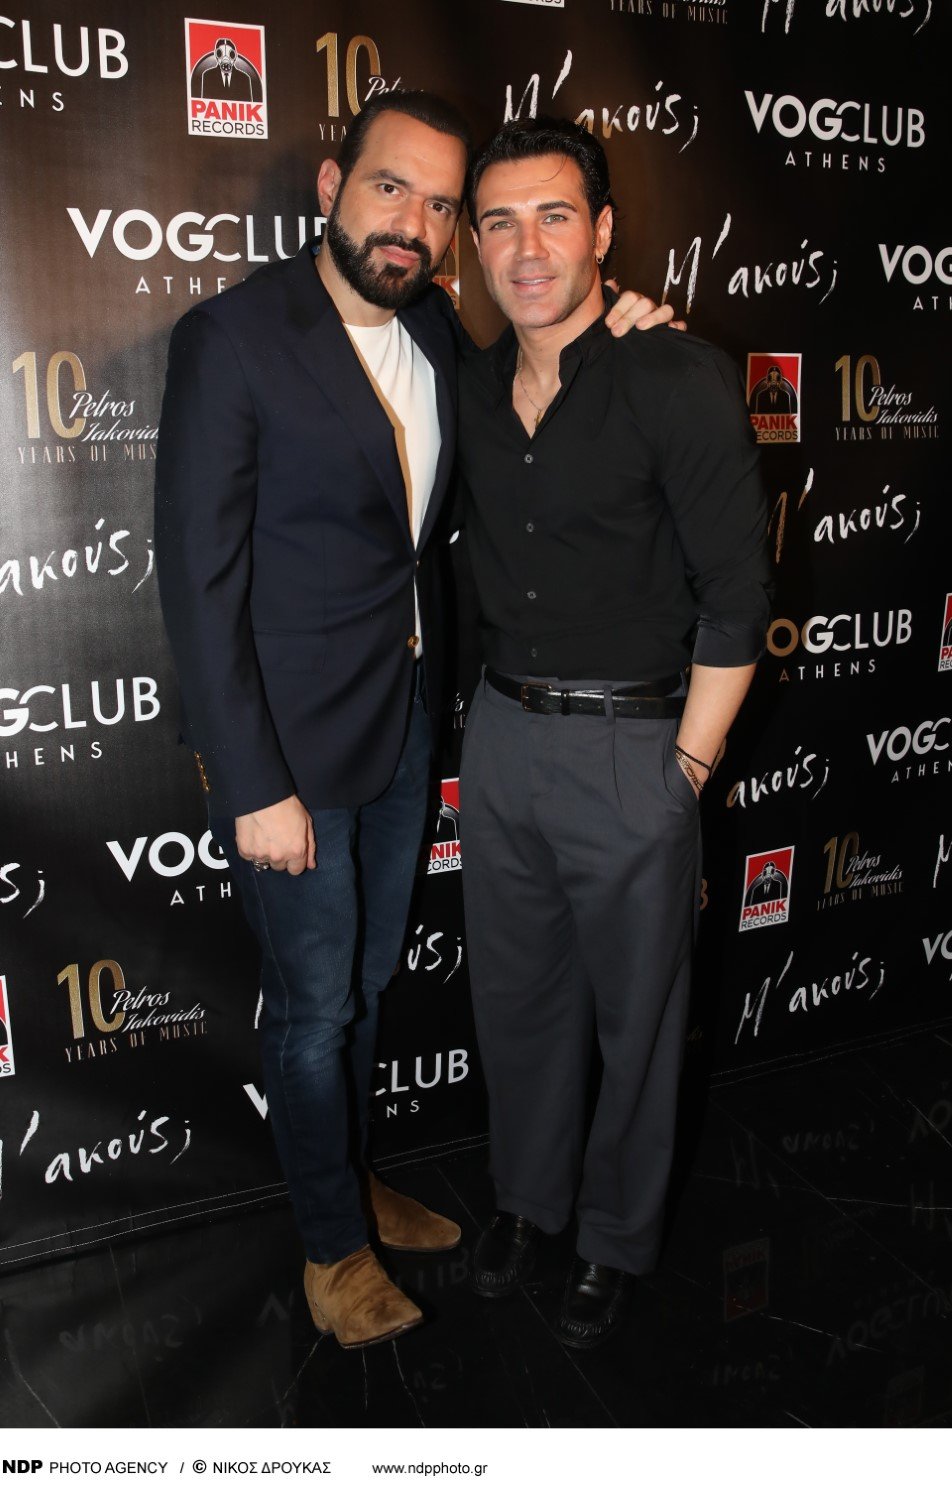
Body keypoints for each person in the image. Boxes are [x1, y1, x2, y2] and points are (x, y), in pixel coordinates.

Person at [154, 91, 670, 1352]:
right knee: (314, 1007)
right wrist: (248, 782)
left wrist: (629, 325)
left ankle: (349, 1176)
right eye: (392, 188)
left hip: (401, 732)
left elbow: (544, 378)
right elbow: (198, 582)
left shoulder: (435, 325)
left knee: (369, 983)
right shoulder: (233, 338)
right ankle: (333, 1248)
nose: (415, 225)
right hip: (287, 756)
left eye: (442, 206)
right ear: (333, 184)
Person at [456, 117, 772, 1348]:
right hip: (501, 739)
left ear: (602, 230)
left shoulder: (674, 377)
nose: (526, 248)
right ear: (473, 243)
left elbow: (738, 598)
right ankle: (527, 1204)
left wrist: (682, 771)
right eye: (498, 222)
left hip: (634, 748)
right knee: (518, 1003)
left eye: (553, 216)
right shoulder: (469, 384)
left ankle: (613, 1239)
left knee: (638, 1025)